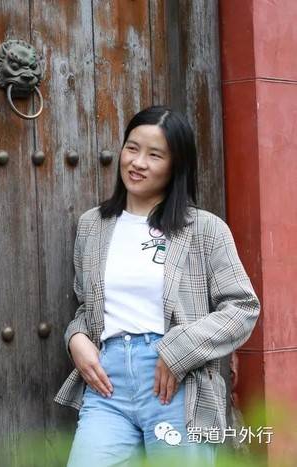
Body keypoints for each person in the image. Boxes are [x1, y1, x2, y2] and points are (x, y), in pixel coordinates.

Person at [53, 105, 260, 466]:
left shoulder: (205, 229)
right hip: (108, 385)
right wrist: (76, 338)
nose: (138, 163)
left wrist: (178, 349)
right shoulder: (92, 225)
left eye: (154, 155)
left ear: (176, 165)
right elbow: (88, 306)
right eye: (132, 148)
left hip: (176, 383)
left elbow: (243, 307)